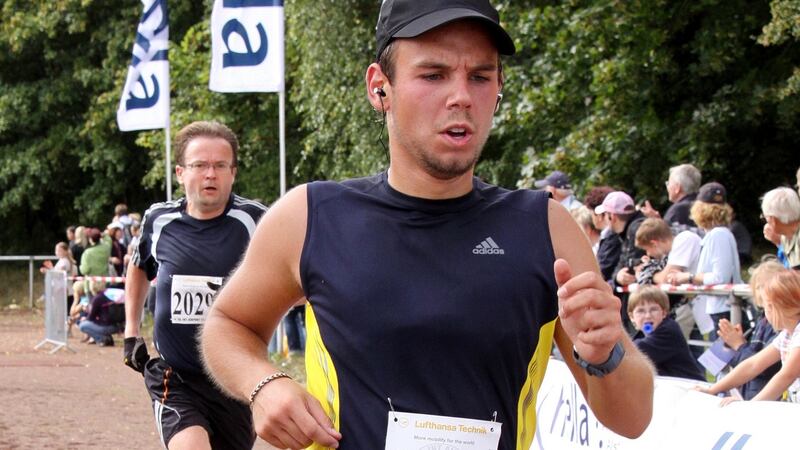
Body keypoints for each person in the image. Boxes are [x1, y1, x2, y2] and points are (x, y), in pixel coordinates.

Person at [200, 2, 655, 449]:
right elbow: (228, 324)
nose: (460, 96)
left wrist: (605, 354)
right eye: (433, 74)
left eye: (480, 76)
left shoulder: (545, 228)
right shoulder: (312, 215)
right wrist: (265, 384)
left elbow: (632, 420)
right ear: (380, 87)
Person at [122, 121, 268, 450]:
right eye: (200, 165)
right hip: (175, 376)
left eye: (220, 165)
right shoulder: (158, 220)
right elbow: (138, 269)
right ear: (180, 173)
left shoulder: (257, 220)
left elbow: (292, 275)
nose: (210, 174)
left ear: (233, 172)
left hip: (234, 379)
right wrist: (131, 330)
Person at [696, 269, 800, 404]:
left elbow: (786, 375)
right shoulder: (787, 334)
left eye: (767, 307)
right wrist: (713, 390)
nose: (765, 313)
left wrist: (750, 406)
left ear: (776, 307)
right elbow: (753, 365)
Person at [669, 182, 742, 335]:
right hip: (722, 307)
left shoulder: (718, 235)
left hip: (724, 309)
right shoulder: (717, 234)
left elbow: (719, 277)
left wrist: (687, 277)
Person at [716, 261, 782, 400]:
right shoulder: (763, 320)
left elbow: (764, 367)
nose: (763, 291)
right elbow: (751, 362)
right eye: (759, 287)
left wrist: (739, 345)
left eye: (768, 285)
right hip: (753, 395)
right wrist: (737, 344)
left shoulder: (782, 325)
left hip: (768, 399)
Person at [628, 286, 705, 381]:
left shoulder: (669, 330)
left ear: (664, 313)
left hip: (692, 388)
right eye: (641, 311)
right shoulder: (643, 334)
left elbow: (635, 351)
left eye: (653, 309)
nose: (648, 315)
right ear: (632, 317)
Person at [640, 163, 701, 229]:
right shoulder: (703, 205)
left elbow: (667, 236)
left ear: (677, 188)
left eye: (668, 183)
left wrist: (655, 221)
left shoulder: (677, 211)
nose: (667, 187)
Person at [584, 186, 619, 280]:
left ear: (599, 215)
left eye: (591, 213)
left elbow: (602, 270)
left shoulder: (612, 237)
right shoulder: (609, 236)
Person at [760, 187, 800, 270]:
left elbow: (794, 277)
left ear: (772, 220)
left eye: (764, 217)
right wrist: (779, 243)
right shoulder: (788, 236)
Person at [77, 280, 116, 347]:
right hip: (114, 324)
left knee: (82, 325)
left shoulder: (97, 298)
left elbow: (91, 317)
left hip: (106, 325)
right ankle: (108, 338)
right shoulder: (105, 295)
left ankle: (101, 339)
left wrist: (85, 318)